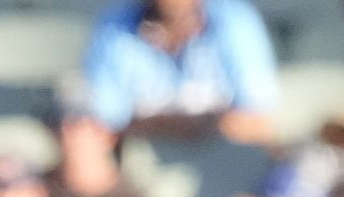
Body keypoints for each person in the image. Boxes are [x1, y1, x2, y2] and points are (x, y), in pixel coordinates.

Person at [78, 0, 279, 143]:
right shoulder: (114, 25)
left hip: (221, 159)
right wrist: (193, 123)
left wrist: (164, 124)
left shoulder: (234, 19)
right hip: (143, 160)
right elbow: (106, 126)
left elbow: (257, 119)